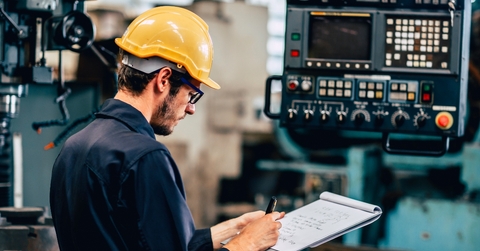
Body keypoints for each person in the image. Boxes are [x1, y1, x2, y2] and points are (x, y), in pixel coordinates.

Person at [49, 5, 285, 251]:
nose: (191, 108)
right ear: (163, 79)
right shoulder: (145, 158)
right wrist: (247, 243)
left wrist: (234, 229)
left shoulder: (73, 147)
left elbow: (145, 239)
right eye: (191, 95)